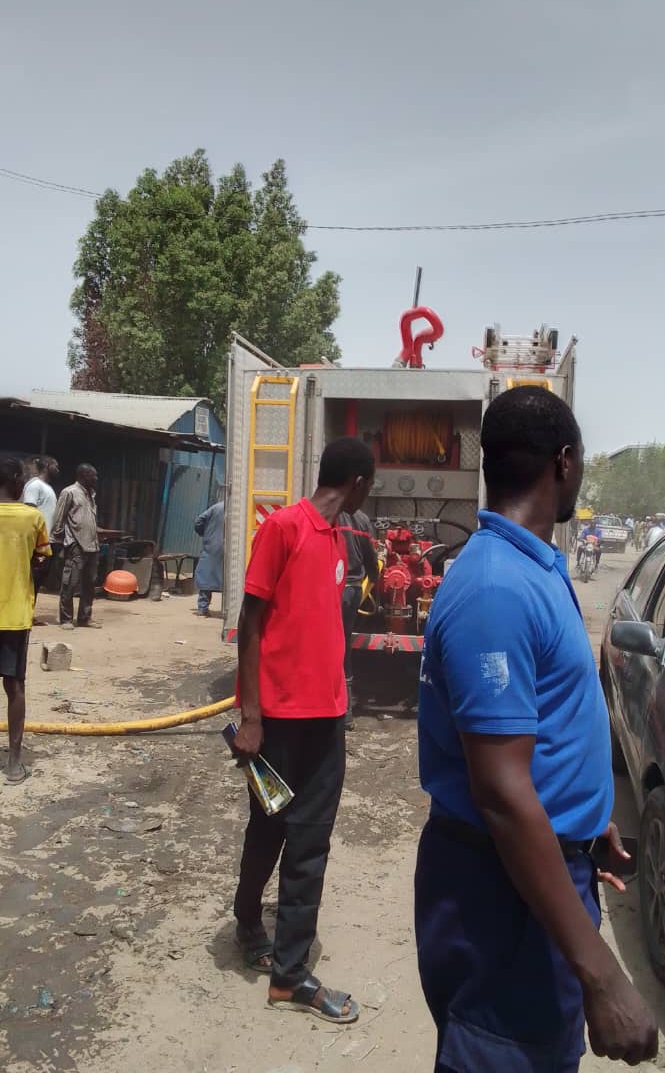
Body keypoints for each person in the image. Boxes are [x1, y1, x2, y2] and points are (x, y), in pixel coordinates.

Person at [415, 386, 658, 1072]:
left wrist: (586, 821)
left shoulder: (534, 565)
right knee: (505, 1054)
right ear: (565, 463)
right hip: (503, 893)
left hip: (537, 868)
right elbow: (499, 792)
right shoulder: (495, 587)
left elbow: (540, 727)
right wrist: (603, 974)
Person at [230, 437, 375, 1025]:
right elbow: (249, 620)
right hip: (278, 725)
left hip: (325, 722)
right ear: (360, 482)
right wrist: (252, 717)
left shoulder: (340, 538)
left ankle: (285, 968)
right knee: (267, 829)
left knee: (308, 840)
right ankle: (253, 929)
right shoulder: (284, 528)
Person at [0, 457, 52, 783]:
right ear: (18, 481)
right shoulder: (32, 518)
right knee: (14, 685)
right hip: (14, 615)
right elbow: (43, 560)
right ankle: (14, 763)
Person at [337, 508, 378, 730]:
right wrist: (375, 578)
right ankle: (345, 713)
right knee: (343, 646)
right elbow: (371, 557)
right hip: (352, 590)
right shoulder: (361, 519)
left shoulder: (326, 513)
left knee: (328, 646)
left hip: (331, 589)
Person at [52, 463, 101, 630]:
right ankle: (66, 619)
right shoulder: (69, 492)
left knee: (90, 584)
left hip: (93, 546)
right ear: (83, 476)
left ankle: (84, 618)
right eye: (93, 475)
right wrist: (61, 541)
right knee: (70, 584)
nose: (96, 478)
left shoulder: (91, 495)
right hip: (76, 545)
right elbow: (58, 519)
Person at [23, 456, 60, 623]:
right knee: (30, 579)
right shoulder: (35, 485)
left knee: (37, 580)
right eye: (55, 466)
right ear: (46, 465)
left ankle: (29, 614)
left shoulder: (47, 488)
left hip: (45, 541)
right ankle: (24, 614)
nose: (58, 469)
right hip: (35, 542)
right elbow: (29, 510)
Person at [193, 499, 225, 617]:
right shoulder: (241, 509)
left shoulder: (216, 507)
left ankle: (203, 608)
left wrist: (204, 533)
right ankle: (228, 610)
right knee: (230, 579)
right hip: (234, 548)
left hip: (212, 546)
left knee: (207, 575)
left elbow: (199, 522)